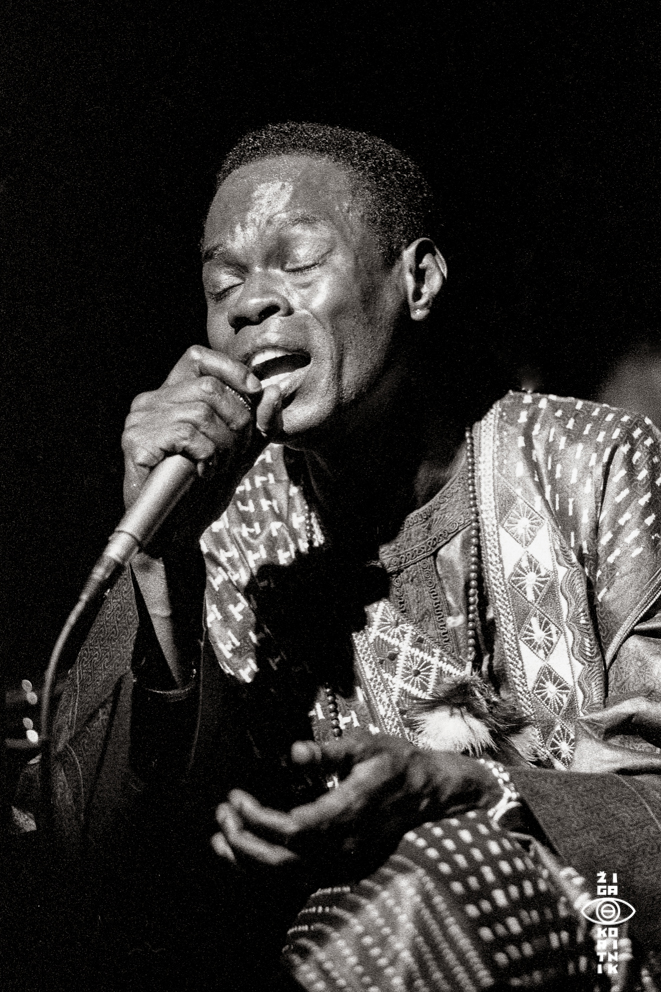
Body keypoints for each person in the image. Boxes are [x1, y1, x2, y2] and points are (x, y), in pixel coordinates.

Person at [21, 123, 661, 991]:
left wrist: (476, 794)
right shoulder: (230, 532)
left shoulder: (591, 459)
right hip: (347, 949)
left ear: (419, 279)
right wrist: (160, 565)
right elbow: (99, 857)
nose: (250, 304)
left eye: (294, 262)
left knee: (439, 887)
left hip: (617, 937)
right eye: (224, 283)